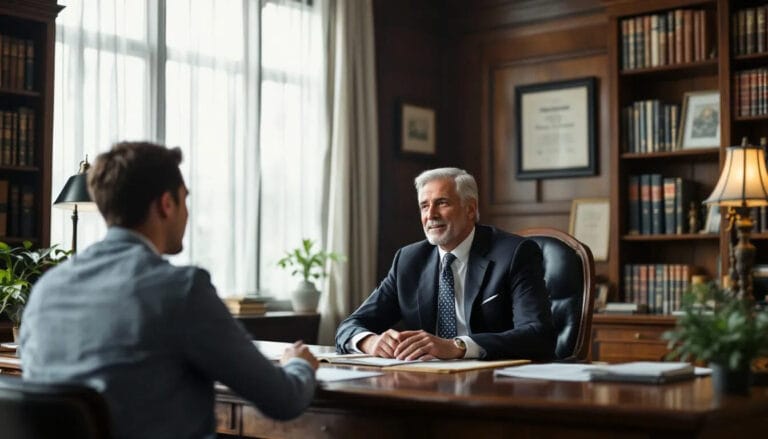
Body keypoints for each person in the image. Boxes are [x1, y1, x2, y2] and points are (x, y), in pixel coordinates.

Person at [20, 142, 318, 439]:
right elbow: (284, 399)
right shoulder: (181, 290)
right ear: (166, 204)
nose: (187, 214)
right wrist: (298, 365)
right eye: (184, 200)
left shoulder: (47, 288)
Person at [336, 167, 555, 361]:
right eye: (424, 206)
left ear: (470, 209)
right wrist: (370, 342)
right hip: (427, 381)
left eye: (442, 203)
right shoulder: (409, 260)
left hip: (497, 382)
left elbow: (538, 334)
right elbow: (350, 326)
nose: (430, 215)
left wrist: (456, 346)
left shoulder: (514, 253)